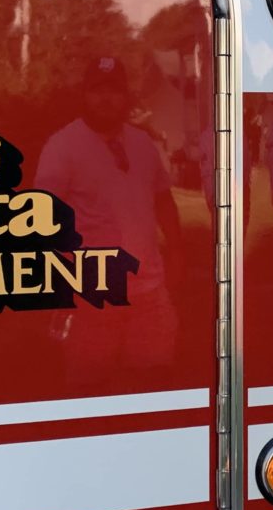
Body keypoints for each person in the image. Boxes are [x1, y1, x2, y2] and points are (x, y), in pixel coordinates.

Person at [35, 56, 183, 387]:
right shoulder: (62, 147)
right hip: (92, 298)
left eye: (114, 90)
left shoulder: (143, 144)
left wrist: (176, 250)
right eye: (97, 90)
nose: (105, 98)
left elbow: (163, 199)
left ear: (126, 96)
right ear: (84, 95)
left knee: (154, 389)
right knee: (91, 393)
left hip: (149, 295)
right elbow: (43, 218)